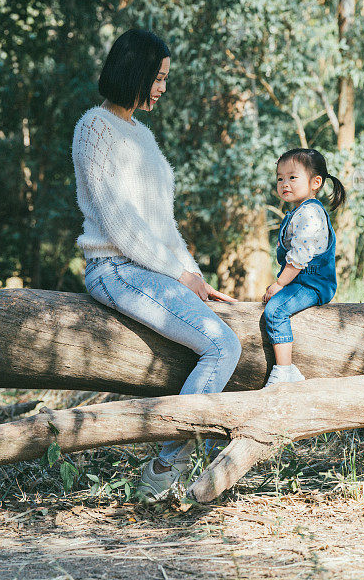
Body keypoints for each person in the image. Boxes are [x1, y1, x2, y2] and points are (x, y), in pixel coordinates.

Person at [71, 28, 241, 501]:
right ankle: (165, 467)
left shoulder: (141, 134)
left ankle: (180, 460)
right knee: (222, 347)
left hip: (151, 270)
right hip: (116, 269)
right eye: (159, 77)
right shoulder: (95, 128)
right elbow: (121, 225)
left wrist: (194, 276)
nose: (163, 87)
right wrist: (179, 274)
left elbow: (162, 224)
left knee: (223, 339)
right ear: (136, 72)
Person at [262, 148, 346, 387]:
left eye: (292, 177)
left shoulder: (310, 213)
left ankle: (284, 372)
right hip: (301, 281)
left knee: (275, 310)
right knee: (272, 305)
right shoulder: (298, 212)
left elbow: (299, 256)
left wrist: (279, 284)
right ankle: (286, 369)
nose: (284, 183)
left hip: (314, 283)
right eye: (280, 178)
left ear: (315, 182)